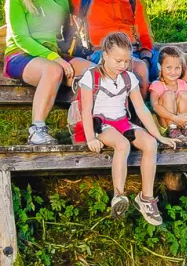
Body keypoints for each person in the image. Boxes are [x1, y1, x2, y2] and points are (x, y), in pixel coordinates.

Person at [73, 32, 173, 225]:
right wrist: (90, 138)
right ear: (105, 56)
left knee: (150, 144)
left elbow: (142, 109)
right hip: (101, 123)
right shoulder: (91, 76)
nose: (123, 65)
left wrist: (159, 136)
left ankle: (146, 198)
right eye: (118, 61)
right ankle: (118, 195)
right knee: (122, 144)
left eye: (127, 61)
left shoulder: (129, 78)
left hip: (122, 121)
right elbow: (85, 110)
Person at [3, 0, 90, 145]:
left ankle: (85, 127)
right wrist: (56, 60)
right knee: (53, 71)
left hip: (52, 53)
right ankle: (37, 130)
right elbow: (21, 38)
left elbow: (59, 18)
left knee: (92, 72)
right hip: (21, 55)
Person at [149, 46, 187, 143]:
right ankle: (173, 130)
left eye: (177, 68)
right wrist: (175, 118)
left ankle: (186, 129)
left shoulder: (185, 85)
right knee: (168, 94)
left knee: (186, 95)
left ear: (181, 68)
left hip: (183, 121)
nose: (173, 72)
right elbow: (155, 106)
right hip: (166, 123)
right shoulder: (157, 85)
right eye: (169, 67)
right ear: (160, 66)